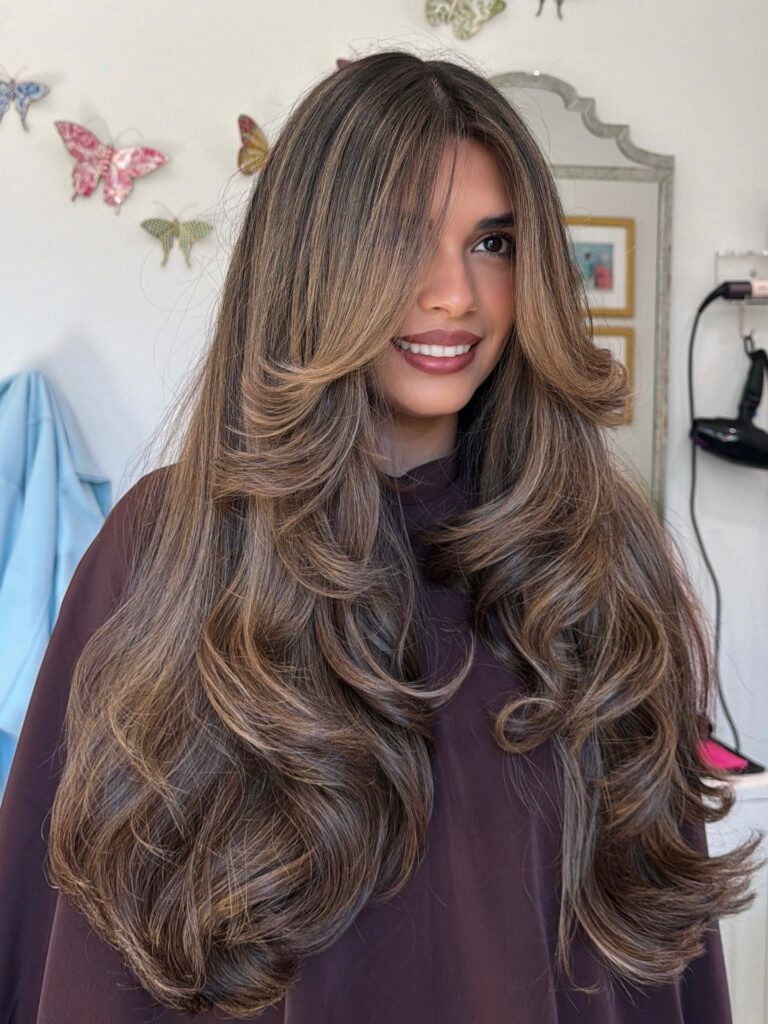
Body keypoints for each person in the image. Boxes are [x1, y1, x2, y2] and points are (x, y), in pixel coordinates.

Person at [0, 49, 761, 1024]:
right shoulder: (167, 548)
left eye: (493, 244)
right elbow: (68, 928)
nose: (455, 295)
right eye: (404, 238)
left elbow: (657, 944)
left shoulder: (600, 560)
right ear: (313, 258)